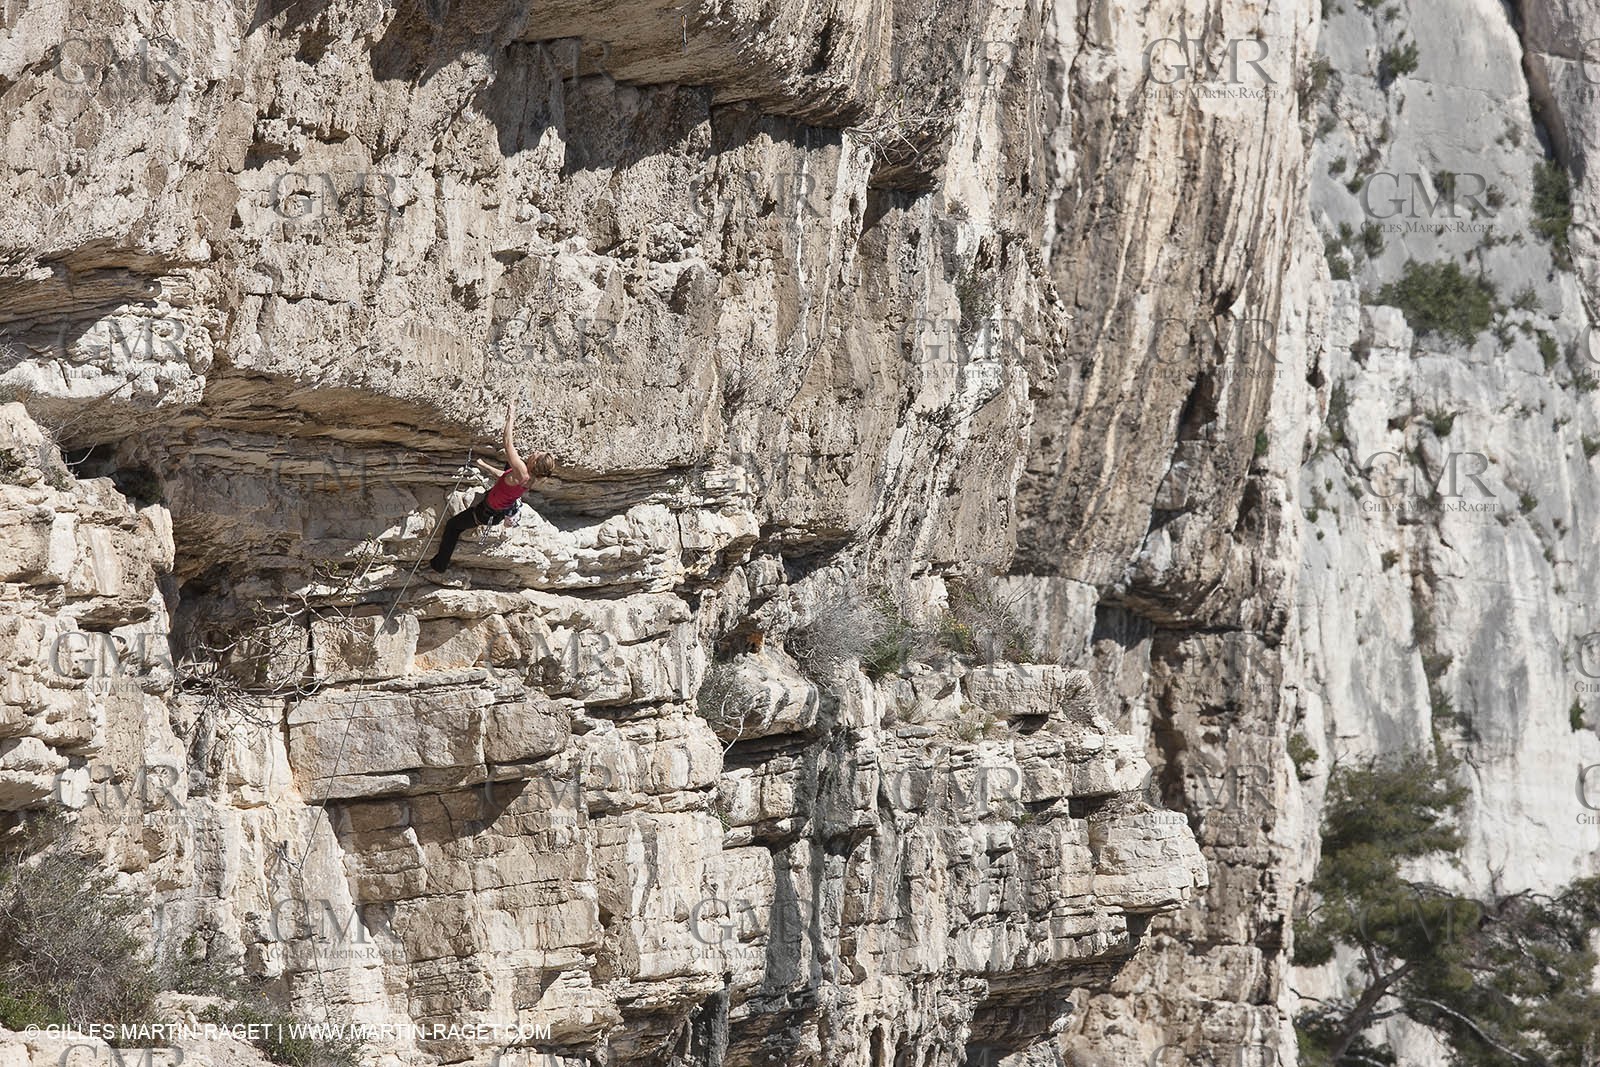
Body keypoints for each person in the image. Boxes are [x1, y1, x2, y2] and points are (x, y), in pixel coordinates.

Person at [429, 399, 555, 574]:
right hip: (497, 510)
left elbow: (508, 443)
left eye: (537, 454)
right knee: (508, 465)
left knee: (453, 526)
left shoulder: (522, 472)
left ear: (535, 463)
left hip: (485, 513)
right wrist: (484, 466)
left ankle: (439, 565)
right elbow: (504, 477)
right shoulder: (529, 478)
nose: (535, 451)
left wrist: (511, 416)